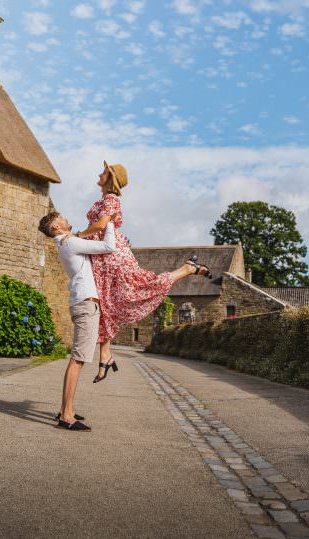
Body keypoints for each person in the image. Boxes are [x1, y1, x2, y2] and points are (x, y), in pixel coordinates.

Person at [74, 161, 212, 382]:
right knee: (107, 305)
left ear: (110, 178)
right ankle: (106, 356)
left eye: (104, 172)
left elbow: (100, 226)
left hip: (112, 257)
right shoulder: (103, 199)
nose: (99, 174)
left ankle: (186, 269)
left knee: (138, 289)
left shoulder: (110, 199)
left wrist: (77, 236)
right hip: (102, 258)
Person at [38, 210, 116, 431]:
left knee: (78, 358)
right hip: (85, 304)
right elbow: (109, 246)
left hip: (83, 303)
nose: (65, 219)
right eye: (61, 218)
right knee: (78, 359)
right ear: (55, 227)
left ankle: (67, 409)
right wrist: (108, 221)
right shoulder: (69, 243)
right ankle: (66, 415)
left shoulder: (67, 243)